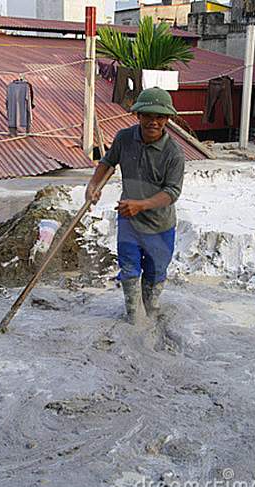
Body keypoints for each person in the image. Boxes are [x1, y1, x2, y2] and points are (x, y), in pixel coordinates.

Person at [85, 87, 185, 324]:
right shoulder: (124, 138)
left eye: (160, 117)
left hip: (160, 226)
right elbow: (108, 162)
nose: (153, 121)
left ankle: (150, 313)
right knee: (129, 271)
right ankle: (134, 318)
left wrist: (141, 205)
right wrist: (93, 185)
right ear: (138, 115)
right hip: (129, 221)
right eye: (148, 115)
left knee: (155, 273)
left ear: (167, 119)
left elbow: (172, 192)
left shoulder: (174, 154)